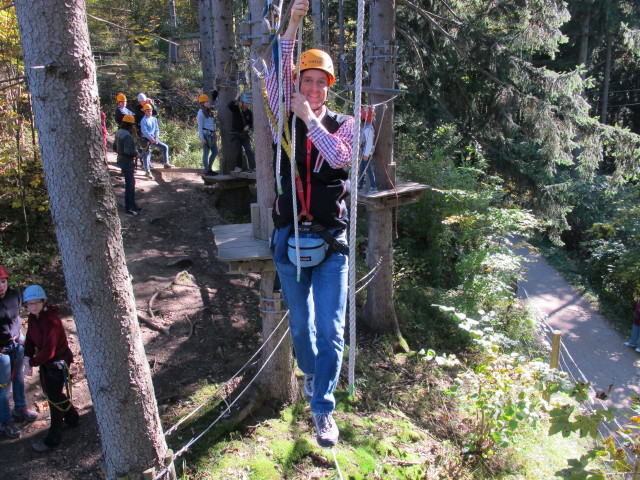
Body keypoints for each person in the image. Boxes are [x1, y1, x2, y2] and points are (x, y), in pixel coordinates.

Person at [265, 0, 354, 448]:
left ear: (329, 88)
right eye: (307, 81)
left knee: (330, 329)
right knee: (300, 327)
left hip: (332, 239)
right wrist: (294, 22)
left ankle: (322, 409)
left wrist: (310, 119)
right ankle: (310, 375)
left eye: (321, 82)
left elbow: (340, 157)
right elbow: (279, 77)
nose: (314, 88)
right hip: (290, 235)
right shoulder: (286, 112)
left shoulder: (344, 125)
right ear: (299, 83)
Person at [22, 285, 79, 453]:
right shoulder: (34, 317)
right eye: (29, 304)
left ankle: (52, 440)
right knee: (52, 393)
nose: (33, 306)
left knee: (53, 400)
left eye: (36, 303)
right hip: (47, 362)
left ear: (43, 301)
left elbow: (49, 351)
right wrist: (27, 356)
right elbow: (30, 338)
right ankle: (72, 418)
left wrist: (31, 363)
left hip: (57, 362)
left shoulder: (51, 321)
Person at [0, 266, 38, 439]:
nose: (1, 285)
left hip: (18, 342)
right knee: (3, 387)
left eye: (3, 281)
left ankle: (20, 408)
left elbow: (18, 317)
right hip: (1, 350)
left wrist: (22, 337)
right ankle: (6, 421)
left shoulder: (15, 295)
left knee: (19, 378)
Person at [113, 114, 141, 215]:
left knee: (130, 184)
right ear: (130, 124)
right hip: (127, 162)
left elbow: (114, 148)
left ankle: (133, 205)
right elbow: (128, 150)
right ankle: (130, 208)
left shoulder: (118, 132)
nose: (134, 127)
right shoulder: (127, 135)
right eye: (133, 125)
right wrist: (136, 153)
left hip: (121, 160)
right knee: (130, 186)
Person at [140, 103, 173, 176]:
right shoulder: (143, 120)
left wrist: (156, 137)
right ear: (145, 111)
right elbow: (144, 131)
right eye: (148, 111)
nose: (149, 112)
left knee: (165, 147)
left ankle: (166, 163)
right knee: (146, 154)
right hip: (145, 139)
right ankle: (147, 171)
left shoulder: (154, 119)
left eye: (150, 111)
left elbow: (157, 129)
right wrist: (151, 138)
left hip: (153, 138)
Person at [228, 92, 255, 173]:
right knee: (238, 151)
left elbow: (251, 123)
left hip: (244, 134)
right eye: (245, 103)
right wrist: (236, 97)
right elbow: (229, 105)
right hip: (236, 134)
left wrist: (248, 127)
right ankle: (238, 167)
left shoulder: (249, 112)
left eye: (248, 103)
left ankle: (253, 167)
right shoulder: (236, 109)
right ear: (242, 102)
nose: (246, 105)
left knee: (248, 150)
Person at [197, 93, 218, 175]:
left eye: (208, 102)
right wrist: (202, 138)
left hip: (211, 135)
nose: (208, 103)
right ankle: (206, 170)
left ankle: (209, 168)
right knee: (206, 153)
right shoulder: (201, 113)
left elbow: (212, 124)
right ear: (202, 103)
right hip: (205, 135)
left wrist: (215, 134)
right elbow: (200, 126)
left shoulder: (209, 112)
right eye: (207, 102)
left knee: (215, 152)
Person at [358, 106, 377, 193]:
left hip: (366, 152)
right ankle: (360, 185)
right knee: (361, 168)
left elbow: (369, 143)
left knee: (368, 170)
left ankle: (374, 187)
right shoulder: (365, 126)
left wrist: (366, 154)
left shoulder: (368, 128)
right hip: (363, 151)